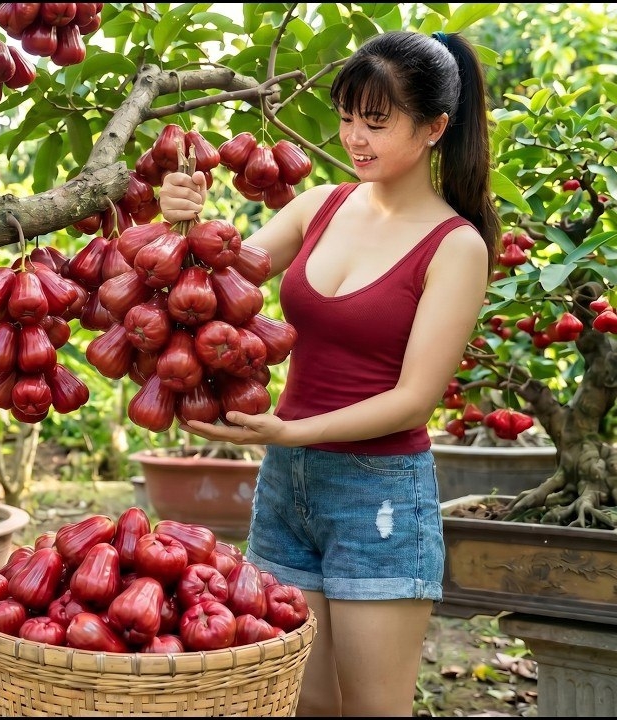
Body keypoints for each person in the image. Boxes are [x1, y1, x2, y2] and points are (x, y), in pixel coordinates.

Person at [160, 30, 497, 717]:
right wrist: (182, 220)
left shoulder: (456, 245)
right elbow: (217, 285)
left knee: (373, 709)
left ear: (436, 128)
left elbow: (412, 402)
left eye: (376, 122)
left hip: (378, 500)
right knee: (300, 700)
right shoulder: (322, 206)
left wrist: (286, 429)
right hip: (289, 488)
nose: (354, 137)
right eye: (347, 117)